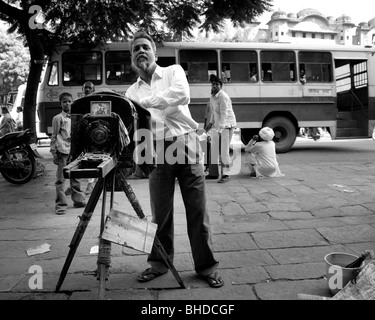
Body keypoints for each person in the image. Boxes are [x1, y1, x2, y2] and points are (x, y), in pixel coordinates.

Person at [125, 31, 223, 288]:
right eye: (136, 49)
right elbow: (135, 126)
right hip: (155, 149)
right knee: (160, 213)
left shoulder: (173, 72)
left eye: (145, 47)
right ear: (132, 58)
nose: (141, 52)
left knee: (197, 209)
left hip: (186, 142)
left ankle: (206, 267)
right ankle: (159, 264)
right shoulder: (130, 91)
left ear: (155, 53)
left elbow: (182, 95)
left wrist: (146, 103)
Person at [50, 92, 86, 215]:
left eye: (69, 101)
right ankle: (61, 205)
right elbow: (54, 136)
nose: (67, 103)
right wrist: (54, 152)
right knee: (60, 179)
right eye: (64, 101)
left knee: (75, 176)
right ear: (60, 103)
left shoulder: (76, 117)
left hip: (74, 152)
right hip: (62, 151)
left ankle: (78, 201)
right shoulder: (58, 118)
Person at [205, 76, 237, 183]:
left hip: (227, 126)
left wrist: (219, 129)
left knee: (224, 151)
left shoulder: (223, 97)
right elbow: (214, 112)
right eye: (213, 84)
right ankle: (213, 174)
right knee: (214, 149)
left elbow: (224, 115)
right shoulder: (212, 96)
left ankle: (226, 175)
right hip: (218, 125)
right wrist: (210, 122)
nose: (214, 86)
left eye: (217, 85)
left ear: (221, 86)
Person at [81, 81, 97, 194]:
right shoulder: (81, 103)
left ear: (93, 90)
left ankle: (91, 183)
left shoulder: (96, 102)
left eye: (89, 88)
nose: (87, 90)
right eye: (85, 88)